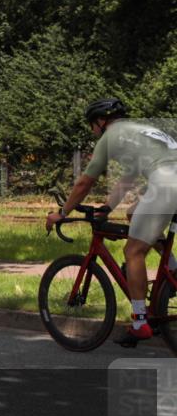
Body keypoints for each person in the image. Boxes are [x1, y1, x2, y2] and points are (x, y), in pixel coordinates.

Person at [46, 98, 177, 346]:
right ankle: (172, 271)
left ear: (100, 121)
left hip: (168, 184)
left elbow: (85, 182)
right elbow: (127, 180)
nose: (92, 130)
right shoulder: (139, 131)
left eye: (91, 125)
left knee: (133, 252)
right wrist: (107, 209)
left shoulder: (110, 137)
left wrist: (62, 213)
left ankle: (139, 322)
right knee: (134, 214)